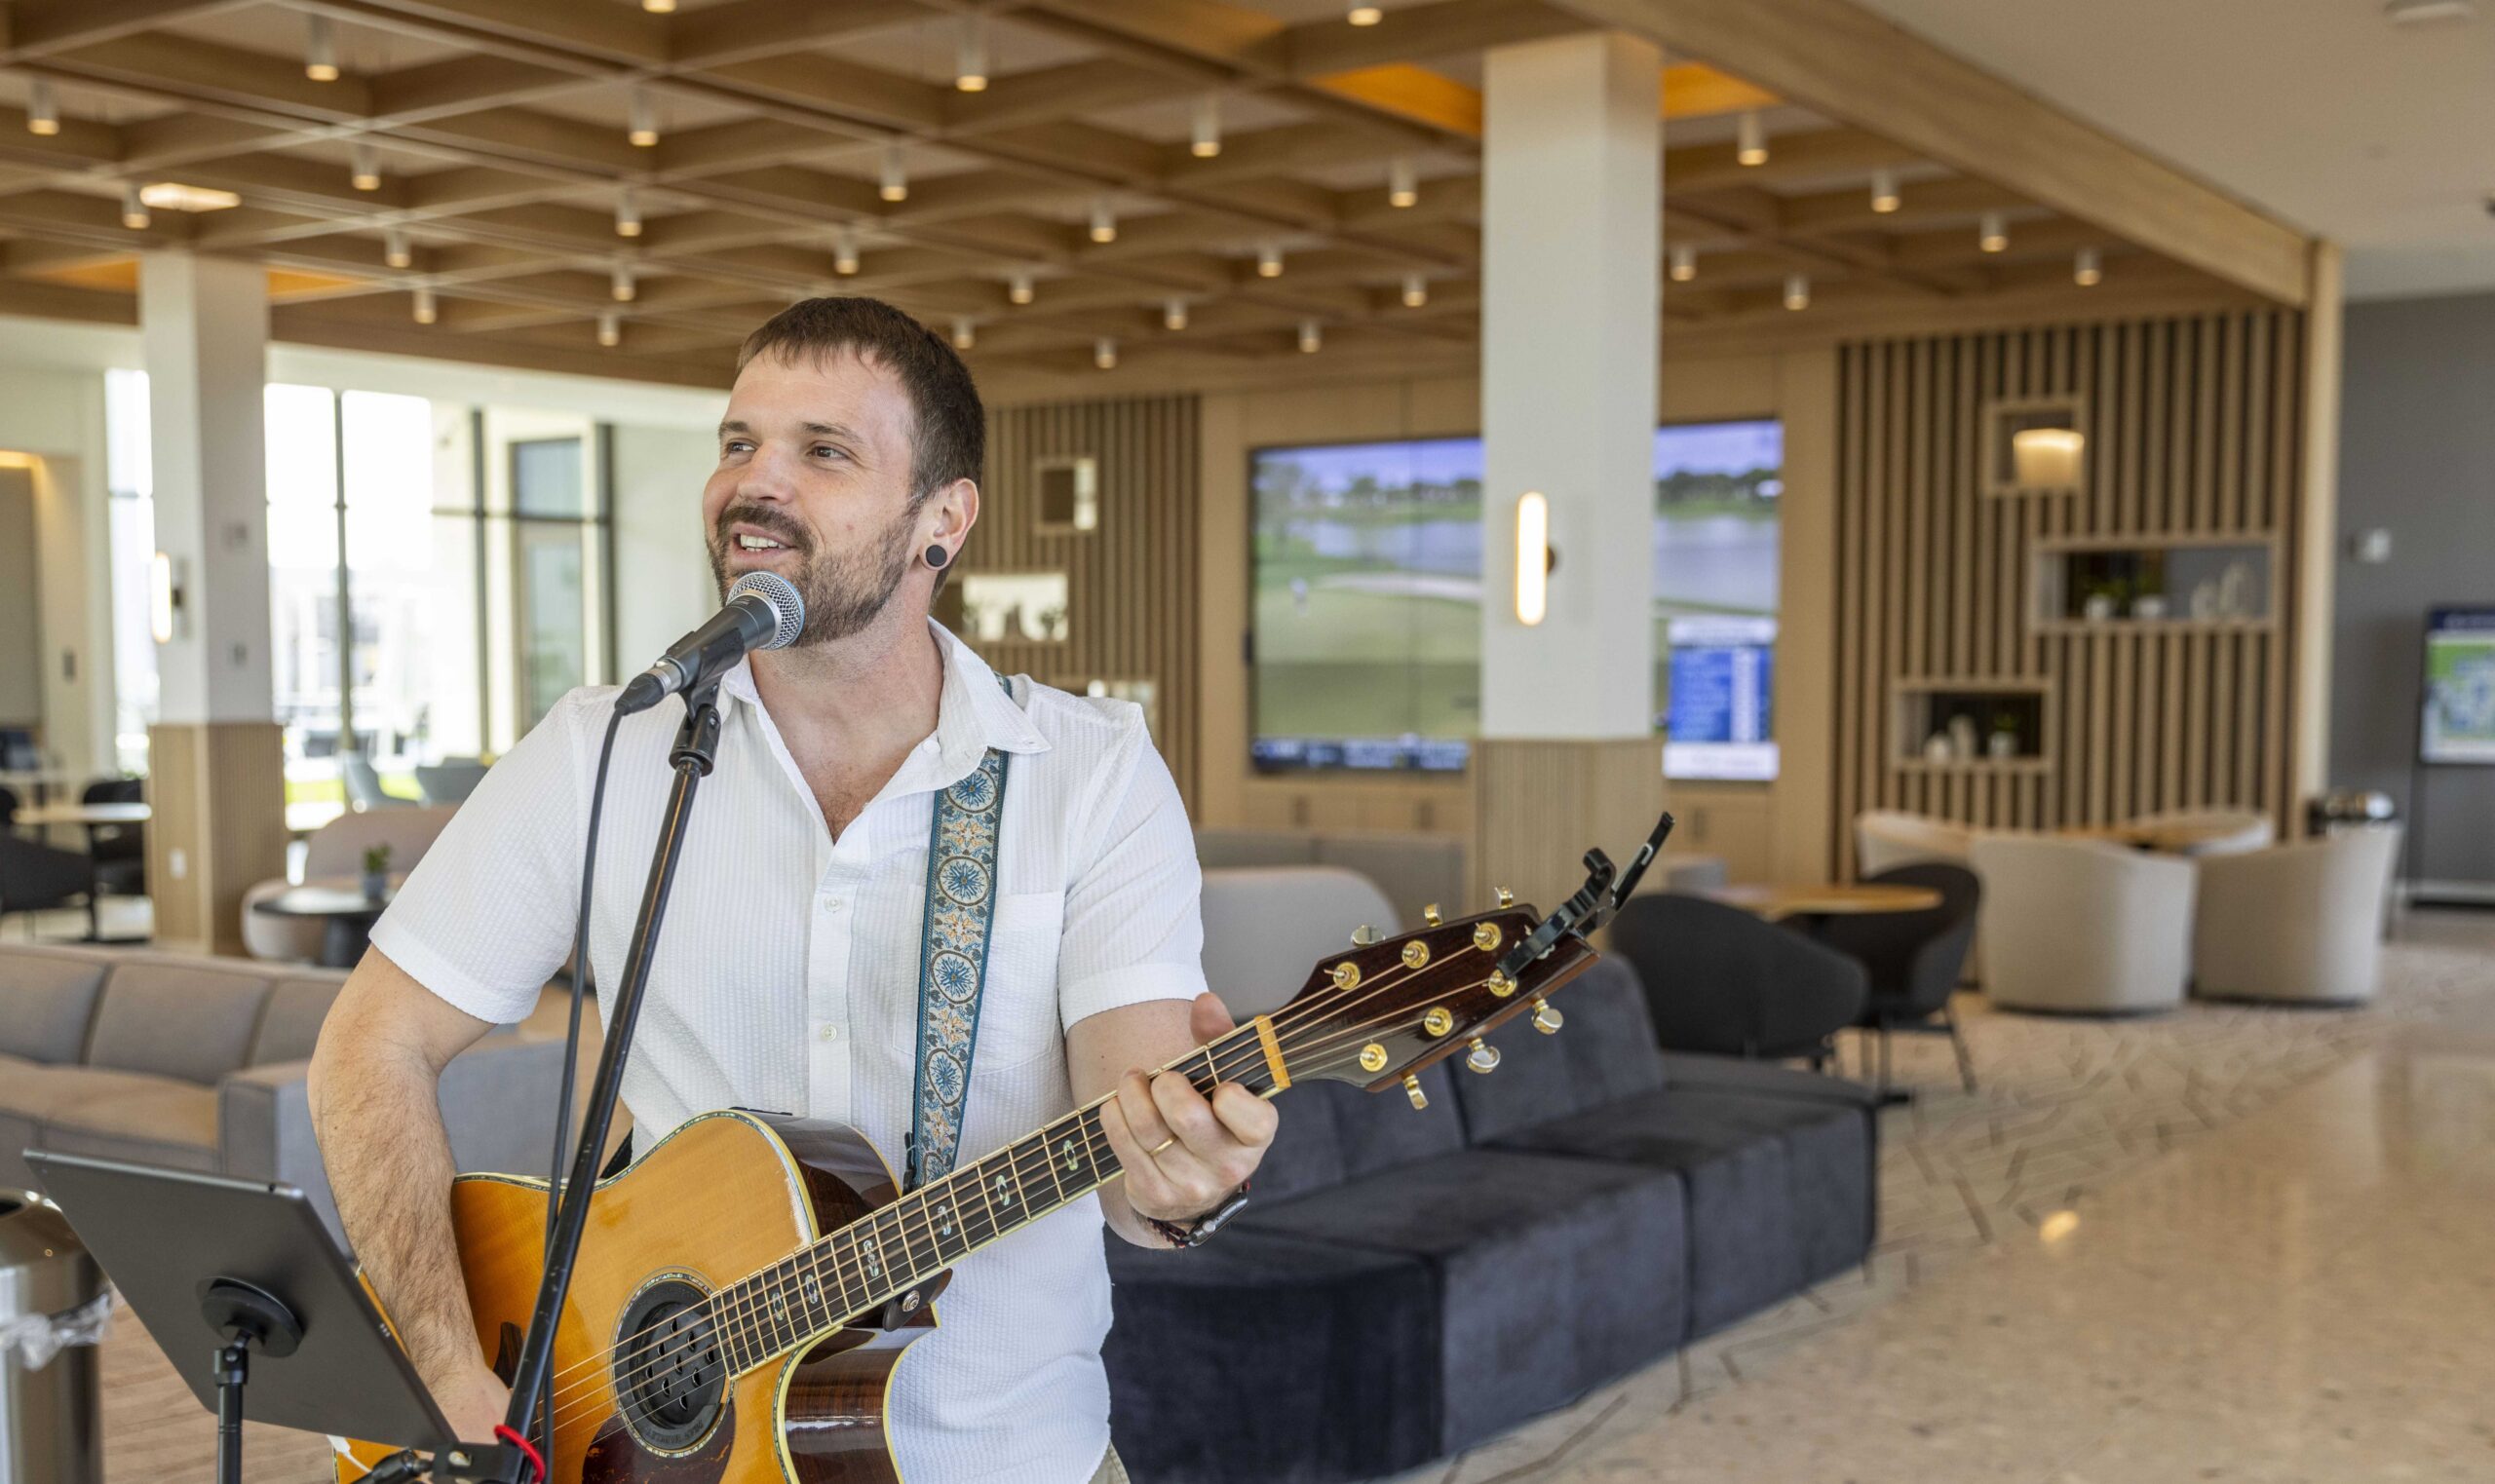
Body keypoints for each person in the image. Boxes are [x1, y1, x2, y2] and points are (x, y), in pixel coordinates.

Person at [306, 296, 1277, 1484]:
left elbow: (1134, 1163)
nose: (755, 484)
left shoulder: (1088, 774)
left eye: (823, 451)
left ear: (942, 520)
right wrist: (448, 1367)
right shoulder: (604, 749)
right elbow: (369, 1044)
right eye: (737, 443)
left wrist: (1185, 1179)